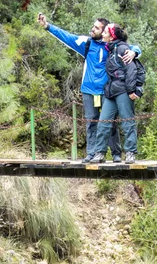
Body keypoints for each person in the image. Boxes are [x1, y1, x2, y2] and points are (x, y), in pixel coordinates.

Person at [37, 14, 141, 162]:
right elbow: (66, 37)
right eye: (93, 26)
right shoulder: (86, 43)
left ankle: (116, 153)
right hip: (88, 89)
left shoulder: (111, 46)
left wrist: (135, 52)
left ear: (106, 32)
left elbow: (131, 48)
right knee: (91, 122)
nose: (93, 29)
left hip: (107, 90)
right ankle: (92, 153)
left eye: (97, 28)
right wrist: (47, 26)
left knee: (111, 124)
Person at [91, 24, 140, 164]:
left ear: (112, 36)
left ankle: (130, 153)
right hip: (111, 91)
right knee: (103, 122)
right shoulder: (111, 48)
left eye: (105, 31)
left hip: (124, 90)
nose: (103, 33)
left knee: (127, 122)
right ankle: (99, 153)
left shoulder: (122, 48)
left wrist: (131, 90)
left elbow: (132, 70)